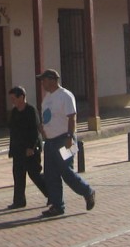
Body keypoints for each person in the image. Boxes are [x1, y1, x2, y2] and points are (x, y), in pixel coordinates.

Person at [36, 69, 96, 217]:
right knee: (51, 175)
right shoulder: (47, 98)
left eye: (44, 80)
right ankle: (57, 206)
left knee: (66, 172)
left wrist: (70, 136)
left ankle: (87, 191)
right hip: (50, 142)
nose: (42, 83)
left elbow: (72, 117)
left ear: (52, 80)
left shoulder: (65, 96)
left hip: (65, 140)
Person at [6, 85, 48, 209]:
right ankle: (19, 200)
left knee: (34, 173)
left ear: (22, 97)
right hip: (18, 148)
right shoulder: (14, 112)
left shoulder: (31, 110)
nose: (12, 101)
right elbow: (13, 131)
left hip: (31, 149)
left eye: (14, 98)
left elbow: (35, 131)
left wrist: (31, 147)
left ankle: (51, 194)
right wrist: (12, 149)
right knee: (18, 174)